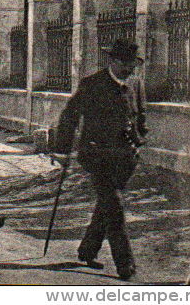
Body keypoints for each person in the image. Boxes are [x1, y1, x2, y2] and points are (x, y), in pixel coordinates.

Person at [51, 39, 147, 280]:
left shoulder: (135, 83)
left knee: (107, 205)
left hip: (126, 159)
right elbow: (69, 116)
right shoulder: (92, 84)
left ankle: (87, 250)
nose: (130, 70)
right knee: (114, 207)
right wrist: (62, 150)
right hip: (97, 157)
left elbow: (141, 116)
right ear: (112, 62)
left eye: (133, 65)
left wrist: (139, 140)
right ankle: (125, 265)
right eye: (125, 64)